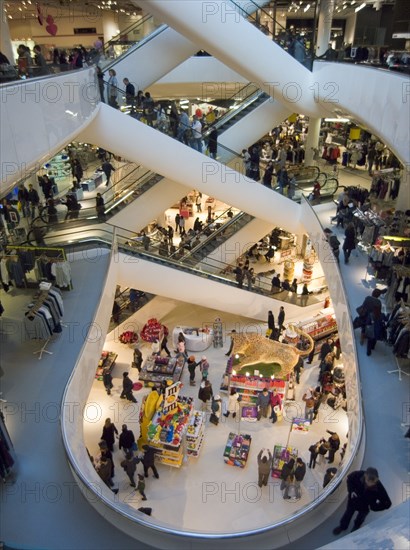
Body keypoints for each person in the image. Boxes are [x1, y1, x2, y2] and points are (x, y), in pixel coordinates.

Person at [333, 468, 391, 535]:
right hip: (354, 500)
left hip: (365, 507)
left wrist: (374, 507)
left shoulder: (379, 488)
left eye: (373, 482)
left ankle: (356, 527)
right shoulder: (357, 475)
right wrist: (351, 490)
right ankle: (343, 526)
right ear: (365, 476)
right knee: (347, 514)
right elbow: (349, 479)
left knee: (360, 518)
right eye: (368, 481)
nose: (371, 484)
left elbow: (387, 503)